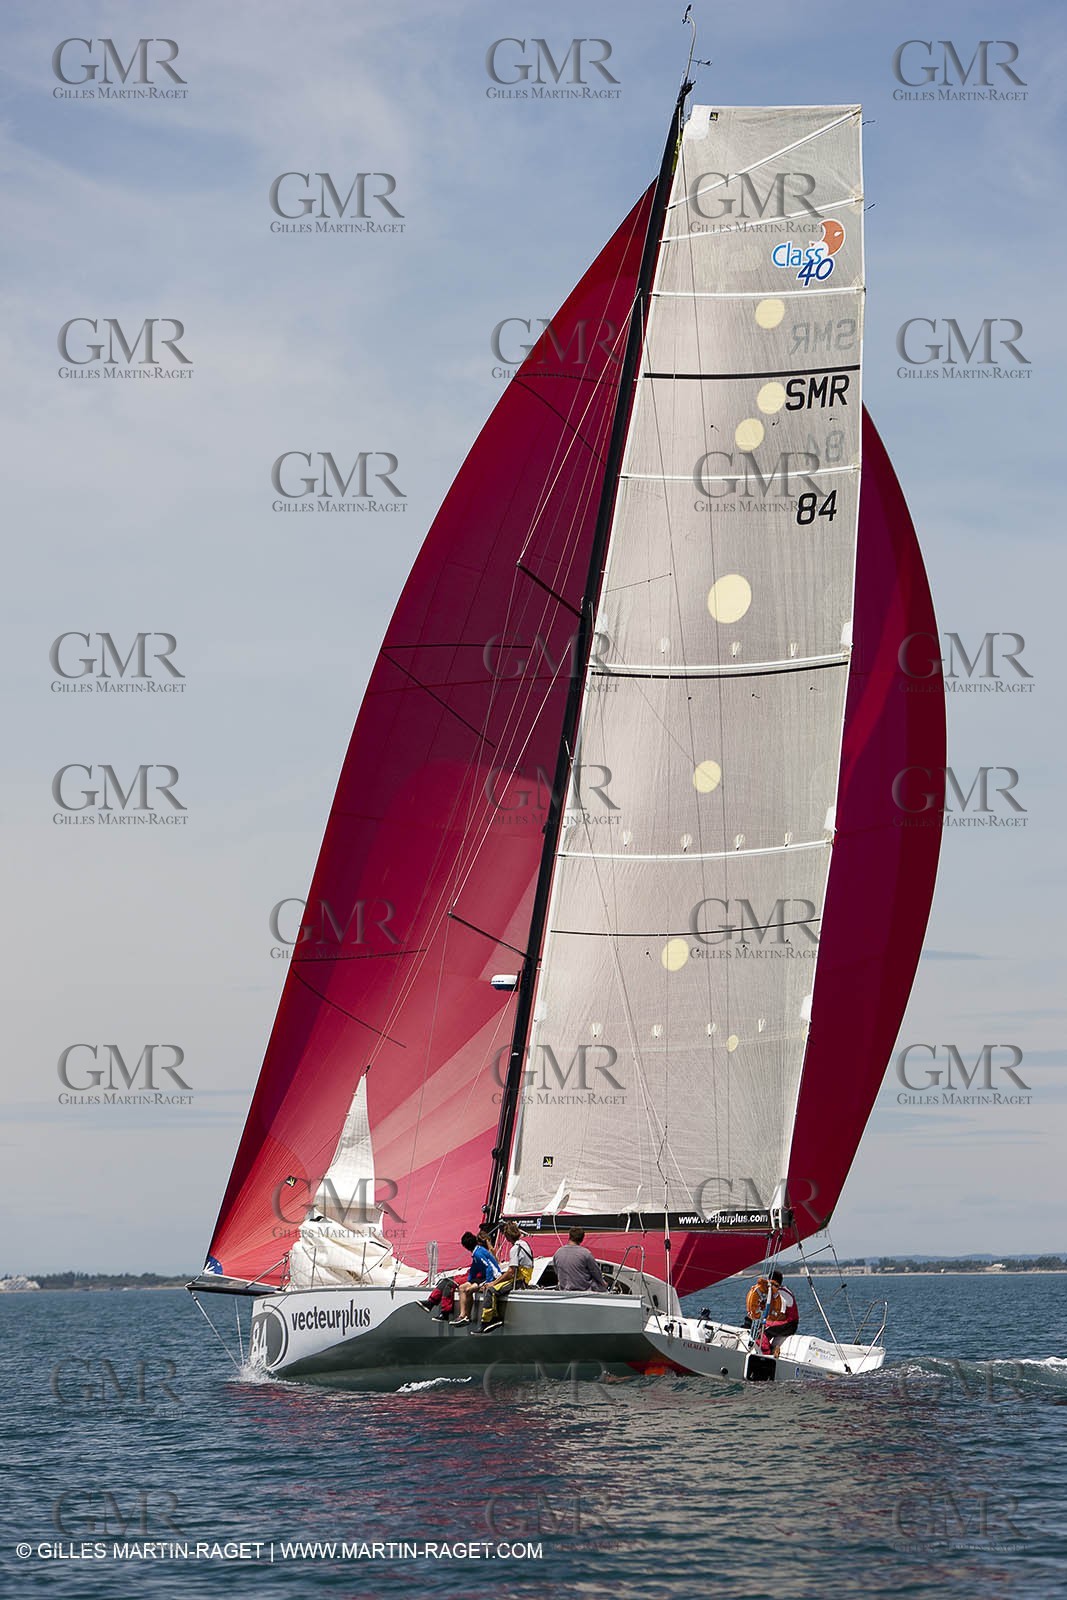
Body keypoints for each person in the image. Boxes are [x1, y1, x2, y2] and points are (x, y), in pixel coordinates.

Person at [478, 1222, 535, 1331]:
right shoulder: (524, 1244)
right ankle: (493, 1318)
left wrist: (494, 1283)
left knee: (491, 1290)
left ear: (508, 1236)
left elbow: (511, 1272)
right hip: (524, 1278)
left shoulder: (515, 1249)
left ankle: (488, 1321)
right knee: (494, 1286)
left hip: (519, 1280)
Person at [454, 1230, 500, 1324]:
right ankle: (462, 1316)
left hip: (494, 1277)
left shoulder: (478, 1253)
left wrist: (488, 1282)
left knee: (468, 1290)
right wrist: (469, 1281)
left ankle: (468, 1316)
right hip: (484, 1277)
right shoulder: (476, 1252)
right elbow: (474, 1268)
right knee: (462, 1288)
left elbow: (489, 1268)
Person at [552, 1228, 608, 1292]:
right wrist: (603, 1283)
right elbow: (595, 1272)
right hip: (584, 1289)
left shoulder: (558, 1252)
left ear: (569, 1237)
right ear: (582, 1239)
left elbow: (557, 1271)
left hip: (564, 1289)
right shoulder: (586, 1253)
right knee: (602, 1288)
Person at [761, 1269, 799, 1352]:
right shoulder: (775, 1293)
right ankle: (771, 1348)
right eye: (769, 1284)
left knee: (764, 1332)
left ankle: (766, 1353)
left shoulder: (782, 1293)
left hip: (789, 1325)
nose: (771, 1286)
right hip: (783, 1322)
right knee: (760, 1326)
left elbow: (780, 1312)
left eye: (773, 1284)